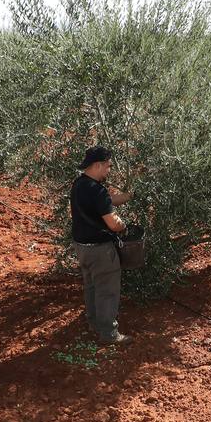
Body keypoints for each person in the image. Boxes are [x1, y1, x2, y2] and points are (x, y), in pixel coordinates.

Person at [70, 145, 132, 344]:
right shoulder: (97, 190)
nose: (109, 170)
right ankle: (109, 334)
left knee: (91, 287)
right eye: (108, 166)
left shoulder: (79, 184)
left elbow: (105, 201)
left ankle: (94, 323)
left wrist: (129, 196)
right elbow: (113, 223)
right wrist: (124, 225)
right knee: (107, 290)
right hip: (100, 251)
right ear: (97, 165)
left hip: (82, 248)